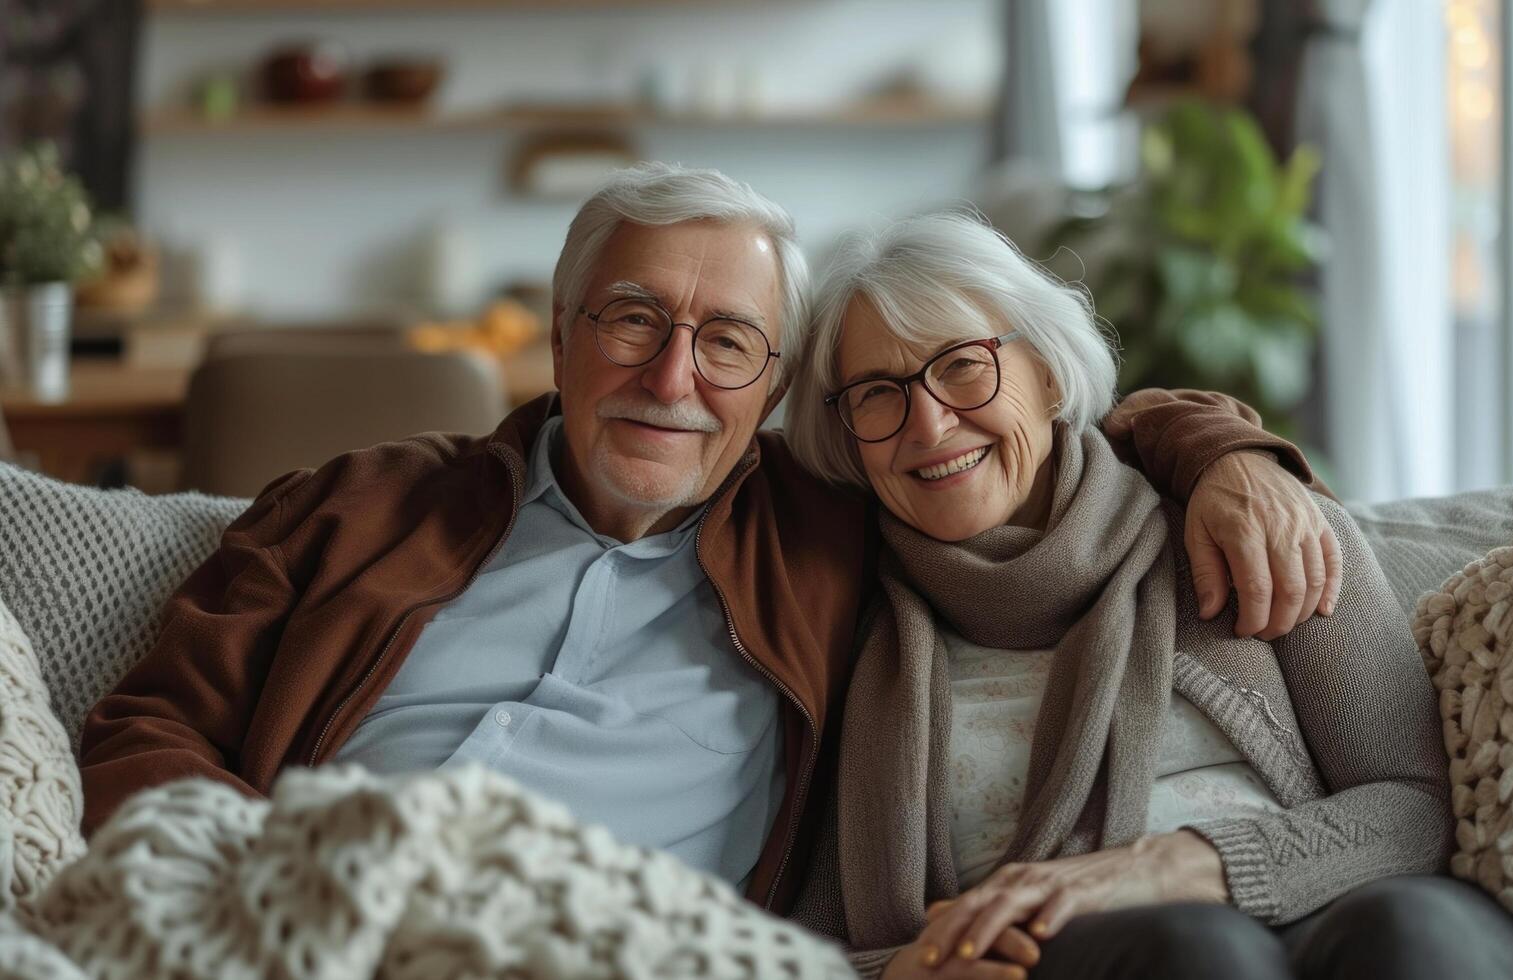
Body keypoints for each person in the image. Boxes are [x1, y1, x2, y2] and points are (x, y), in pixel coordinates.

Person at [79, 165, 1334, 914]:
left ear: (774, 379)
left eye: (727, 339)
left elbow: (1031, 425)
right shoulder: (359, 503)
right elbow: (148, 725)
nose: (672, 376)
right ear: (559, 334)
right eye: (630, 318)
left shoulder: (830, 526)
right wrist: (253, 878)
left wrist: (1222, 452)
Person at [784, 212, 1513, 978]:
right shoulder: (832, 628)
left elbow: (1414, 808)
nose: (928, 421)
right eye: (877, 393)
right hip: (1078, 959)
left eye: (960, 365)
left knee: (1411, 932)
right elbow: (815, 944)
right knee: (1189, 952)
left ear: (1047, 372)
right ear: (847, 435)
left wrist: (1176, 867)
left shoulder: (1245, 530)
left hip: (1335, 910)